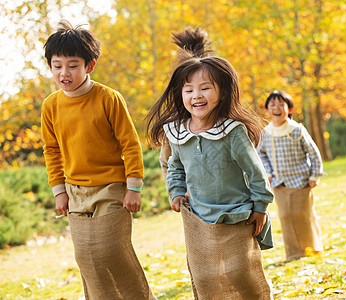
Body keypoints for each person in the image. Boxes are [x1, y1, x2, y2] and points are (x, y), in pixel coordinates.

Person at [146, 27, 273, 299]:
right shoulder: (178, 133)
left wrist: (260, 206)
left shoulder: (232, 131)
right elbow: (175, 167)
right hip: (199, 217)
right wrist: (176, 191)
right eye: (189, 90)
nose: (196, 95)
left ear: (222, 92)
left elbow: (255, 171)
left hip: (238, 213)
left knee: (240, 270)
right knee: (206, 276)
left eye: (205, 88)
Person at [41, 20, 156, 299]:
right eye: (57, 65)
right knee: (87, 258)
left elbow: (129, 143)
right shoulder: (51, 106)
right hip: (74, 191)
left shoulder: (108, 98)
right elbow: (51, 150)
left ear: (89, 66)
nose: (64, 72)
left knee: (111, 251)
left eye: (72, 65)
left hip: (111, 187)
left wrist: (134, 187)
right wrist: (59, 191)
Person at [257, 90, 324, 262]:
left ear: (290, 108)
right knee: (286, 217)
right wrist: (269, 173)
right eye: (272, 105)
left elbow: (314, 153)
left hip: (301, 180)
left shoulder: (297, 130)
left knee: (302, 215)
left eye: (281, 105)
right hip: (279, 182)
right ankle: (293, 253)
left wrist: (314, 175)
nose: (276, 109)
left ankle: (311, 248)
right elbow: (261, 155)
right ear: (267, 110)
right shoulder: (266, 133)